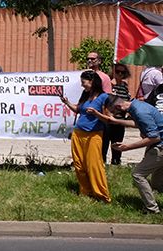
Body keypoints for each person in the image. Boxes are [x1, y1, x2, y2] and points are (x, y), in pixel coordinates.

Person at [106, 95, 163, 213]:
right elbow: (139, 123)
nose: (114, 114)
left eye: (114, 112)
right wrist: (117, 121)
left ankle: (152, 209)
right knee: (157, 183)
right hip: (158, 145)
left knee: (138, 174)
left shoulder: (140, 111)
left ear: (118, 106)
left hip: (159, 147)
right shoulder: (137, 105)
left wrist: (127, 147)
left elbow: (154, 137)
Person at [60, 70, 111, 202]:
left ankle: (101, 194)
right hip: (78, 133)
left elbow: (108, 119)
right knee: (79, 165)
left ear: (92, 81)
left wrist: (96, 113)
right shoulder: (85, 94)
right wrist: (67, 102)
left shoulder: (104, 97)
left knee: (94, 165)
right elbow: (78, 109)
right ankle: (85, 191)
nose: (82, 86)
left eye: (84, 82)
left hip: (94, 135)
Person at [103, 64, 131, 165]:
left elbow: (127, 100)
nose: (120, 74)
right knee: (104, 143)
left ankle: (116, 162)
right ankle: (102, 163)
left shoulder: (125, 86)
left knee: (117, 142)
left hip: (120, 119)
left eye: (122, 72)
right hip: (108, 118)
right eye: (117, 71)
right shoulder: (109, 85)